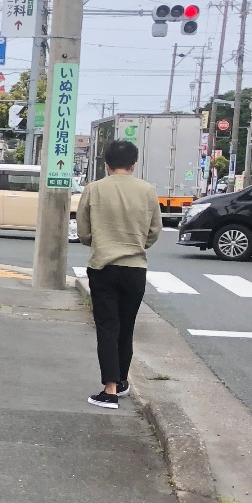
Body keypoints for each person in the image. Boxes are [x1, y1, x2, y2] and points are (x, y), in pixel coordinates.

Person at [76, 138, 163, 410]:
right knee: (126, 328)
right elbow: (154, 230)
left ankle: (109, 390)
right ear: (134, 164)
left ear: (106, 164)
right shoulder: (148, 191)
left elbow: (83, 232)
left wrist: (100, 243)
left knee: (107, 327)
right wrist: (137, 246)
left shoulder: (94, 190)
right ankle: (122, 381)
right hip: (135, 268)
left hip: (103, 266)